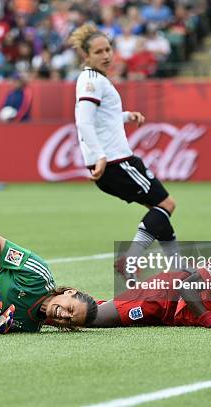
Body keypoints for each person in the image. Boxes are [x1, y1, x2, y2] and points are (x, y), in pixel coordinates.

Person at [69, 24, 179, 280]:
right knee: (166, 204)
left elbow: (100, 118)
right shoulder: (93, 81)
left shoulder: (90, 79)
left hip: (111, 163)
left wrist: (126, 116)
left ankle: (178, 268)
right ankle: (131, 259)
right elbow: (83, 121)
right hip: (117, 161)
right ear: (86, 56)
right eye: (99, 51)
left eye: (108, 49)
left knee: (158, 210)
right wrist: (100, 155)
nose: (106, 55)